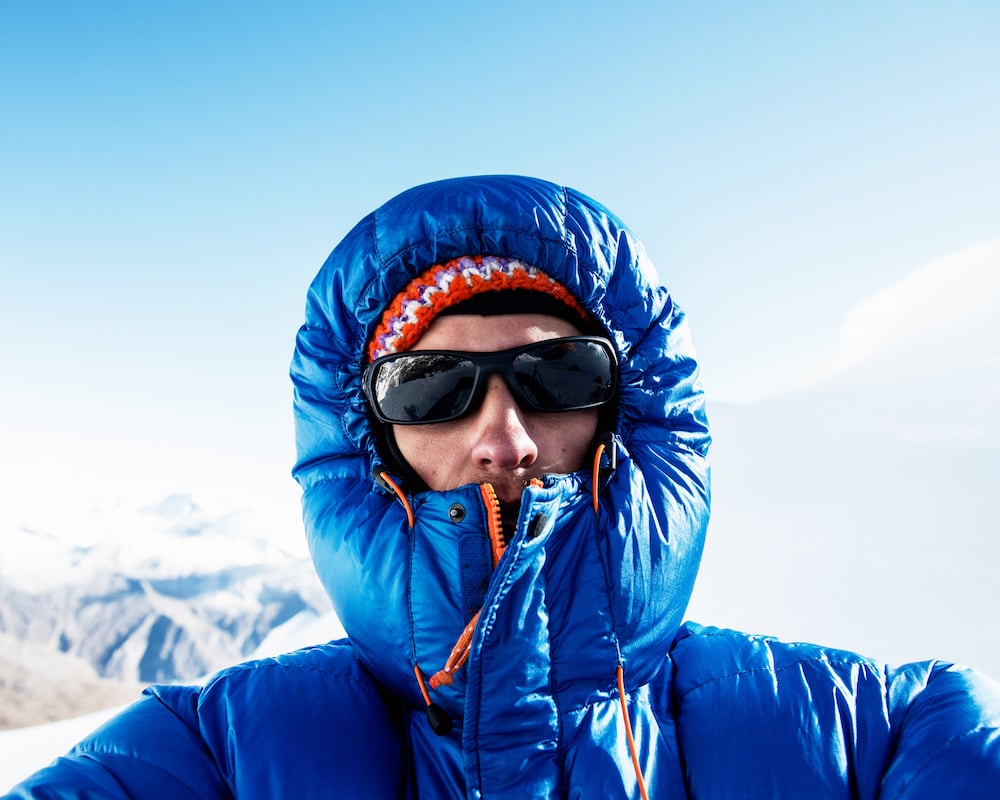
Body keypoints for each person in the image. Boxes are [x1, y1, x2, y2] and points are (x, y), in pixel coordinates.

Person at [5, 175, 1000, 798]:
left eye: (558, 375)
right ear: (372, 444)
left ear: (625, 415)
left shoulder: (875, 732)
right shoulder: (213, 753)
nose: (502, 436)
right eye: (432, 387)